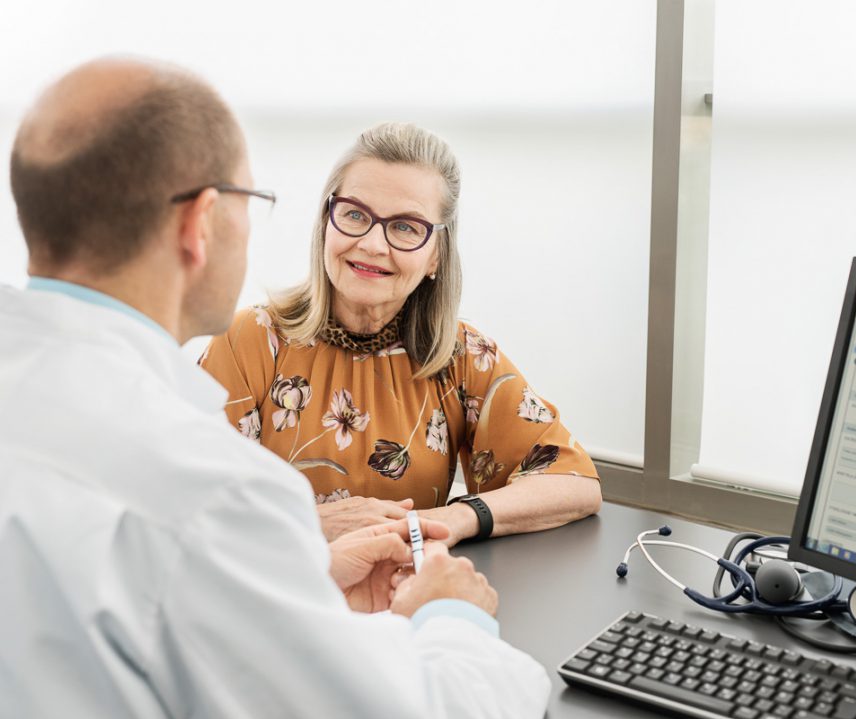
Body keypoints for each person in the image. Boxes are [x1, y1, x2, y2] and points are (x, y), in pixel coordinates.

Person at [0, 57, 549, 718]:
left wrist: (303, 583)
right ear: (199, 224)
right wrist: (453, 620)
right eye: (250, 202)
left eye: (405, 226)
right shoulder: (214, 491)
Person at [200, 122, 603, 545]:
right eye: (355, 215)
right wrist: (310, 524)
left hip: (408, 598)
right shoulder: (250, 339)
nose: (373, 244)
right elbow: (185, 502)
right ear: (326, 225)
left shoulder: (461, 355)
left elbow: (575, 483)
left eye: (406, 227)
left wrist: (456, 519)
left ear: (436, 257)